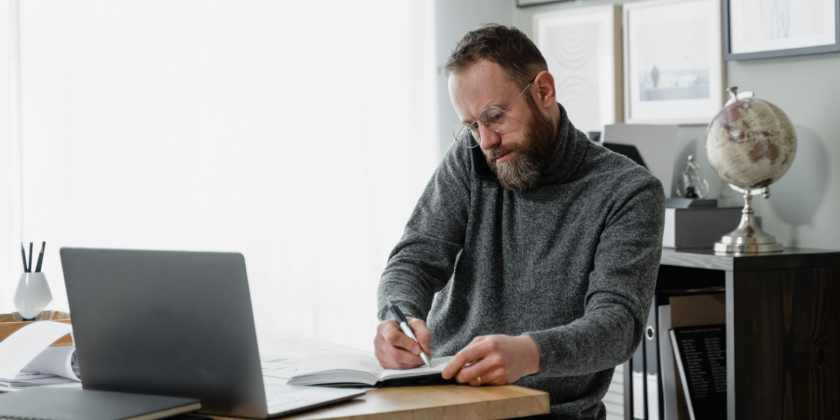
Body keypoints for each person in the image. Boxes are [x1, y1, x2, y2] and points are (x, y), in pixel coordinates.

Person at [374, 24, 665, 419]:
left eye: (495, 117)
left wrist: (530, 353)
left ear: (544, 91)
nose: (486, 141)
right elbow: (415, 256)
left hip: (551, 412)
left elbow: (618, 326)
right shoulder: (471, 156)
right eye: (472, 125)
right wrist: (399, 316)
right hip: (443, 398)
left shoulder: (628, 191)